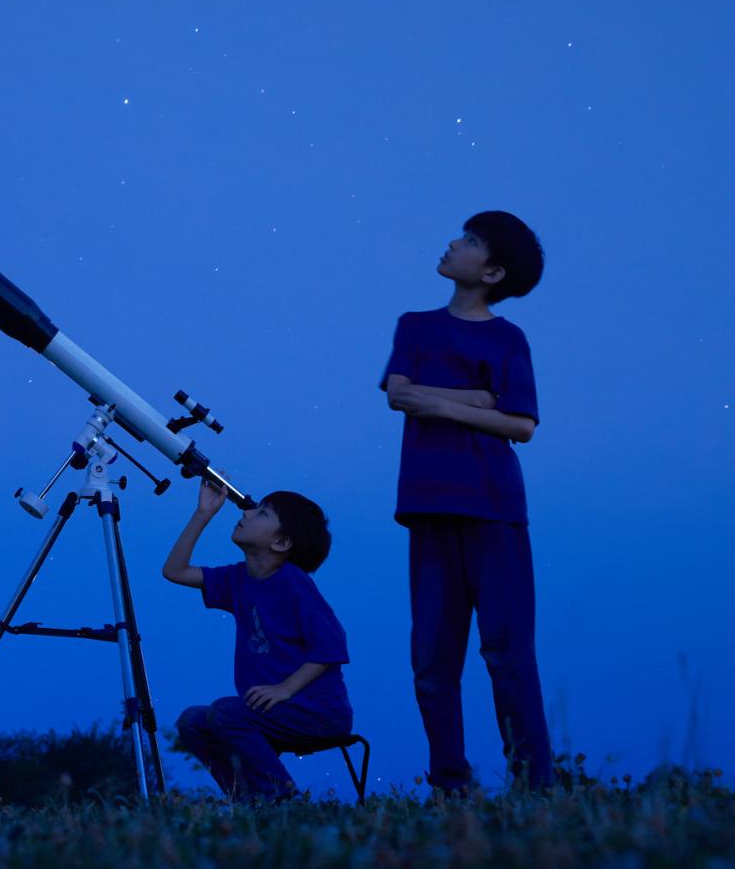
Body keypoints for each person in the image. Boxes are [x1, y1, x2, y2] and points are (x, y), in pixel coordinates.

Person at [379, 209, 555, 792]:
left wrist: (453, 405)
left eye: (472, 242)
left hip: (494, 508)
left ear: (495, 271)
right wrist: (482, 401)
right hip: (429, 510)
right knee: (431, 664)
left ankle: (533, 787)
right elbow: (399, 396)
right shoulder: (415, 326)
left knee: (507, 654)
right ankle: (450, 788)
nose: (455, 243)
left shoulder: (508, 339)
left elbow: (523, 425)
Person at [163, 477, 352, 800]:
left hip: (317, 712)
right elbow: (175, 571)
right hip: (271, 711)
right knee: (192, 721)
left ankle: (280, 798)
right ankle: (247, 799)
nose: (248, 512)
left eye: (263, 513)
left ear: (281, 543)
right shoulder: (239, 578)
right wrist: (202, 514)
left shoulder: (294, 584)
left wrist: (284, 689)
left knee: (225, 712)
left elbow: (331, 647)